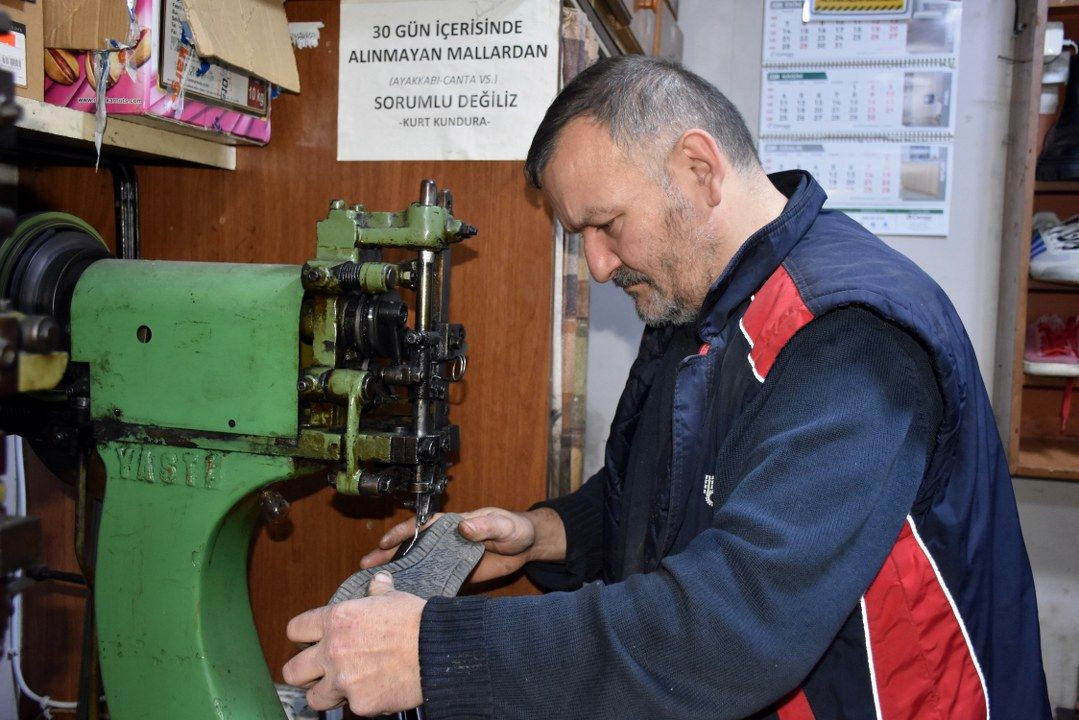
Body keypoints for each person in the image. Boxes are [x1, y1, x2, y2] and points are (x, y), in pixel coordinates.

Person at [282, 56, 1050, 719]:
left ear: (698, 169)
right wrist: (547, 536)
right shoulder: (700, 304)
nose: (598, 265)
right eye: (577, 235)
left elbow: (739, 623)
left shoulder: (848, 338)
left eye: (607, 224)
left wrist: (435, 653)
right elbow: (677, 497)